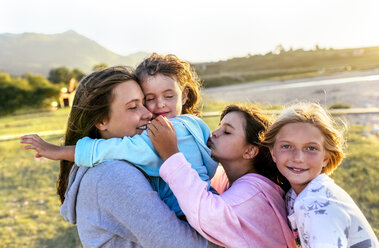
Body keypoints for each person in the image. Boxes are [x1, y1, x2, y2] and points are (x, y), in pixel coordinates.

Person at [21, 66, 217, 247]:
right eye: (133, 107)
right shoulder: (113, 174)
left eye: (143, 103)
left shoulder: (129, 159)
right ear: (101, 120)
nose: (148, 113)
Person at [147, 104, 297, 248]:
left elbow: (205, 214)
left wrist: (171, 153)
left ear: (250, 151)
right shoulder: (237, 180)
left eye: (227, 132)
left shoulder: (252, 194)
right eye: (219, 126)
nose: (215, 132)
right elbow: (199, 181)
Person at [262, 102, 379, 248]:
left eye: (311, 148)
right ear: (273, 152)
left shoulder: (316, 203)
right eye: (287, 146)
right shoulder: (294, 196)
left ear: (325, 158)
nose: (298, 158)